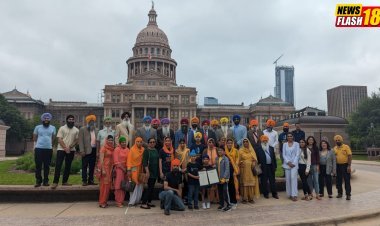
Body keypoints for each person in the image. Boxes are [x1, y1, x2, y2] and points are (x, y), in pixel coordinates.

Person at [51, 115, 79, 189]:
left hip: (71, 150)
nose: (71, 120)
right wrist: (65, 148)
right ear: (67, 120)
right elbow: (59, 139)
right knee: (58, 165)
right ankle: (55, 182)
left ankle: (65, 181)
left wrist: (69, 147)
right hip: (61, 149)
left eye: (72, 119)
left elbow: (77, 140)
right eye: (69, 119)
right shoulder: (62, 128)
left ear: (74, 121)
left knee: (68, 166)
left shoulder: (76, 130)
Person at [33, 113, 56, 187]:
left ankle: (46, 181)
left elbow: (53, 137)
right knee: (38, 166)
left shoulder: (53, 128)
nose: (46, 120)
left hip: (48, 149)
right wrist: (39, 143)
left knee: (47, 166)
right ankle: (38, 181)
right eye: (45, 118)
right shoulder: (37, 127)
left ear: (50, 119)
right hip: (39, 148)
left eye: (48, 118)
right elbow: (34, 137)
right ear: (42, 119)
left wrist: (50, 144)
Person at [78, 114, 99, 186]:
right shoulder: (82, 129)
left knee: (92, 166)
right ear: (88, 122)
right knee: (84, 166)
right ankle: (84, 180)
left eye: (93, 121)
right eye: (90, 121)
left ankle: (91, 180)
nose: (92, 123)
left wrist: (97, 152)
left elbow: (97, 141)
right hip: (86, 151)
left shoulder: (96, 130)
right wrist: (82, 150)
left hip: (94, 150)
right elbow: (80, 141)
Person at [256, 135, 278, 199]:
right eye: (263, 140)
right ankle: (266, 194)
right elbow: (257, 158)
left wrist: (275, 166)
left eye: (266, 140)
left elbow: (273, 158)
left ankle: (274, 194)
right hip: (263, 167)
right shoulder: (258, 149)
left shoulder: (271, 148)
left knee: (272, 181)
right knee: (264, 181)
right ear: (261, 141)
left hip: (271, 166)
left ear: (267, 140)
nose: (265, 141)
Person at [239, 138, 260, 204]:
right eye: (244, 142)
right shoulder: (240, 150)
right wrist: (241, 162)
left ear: (249, 143)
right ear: (243, 143)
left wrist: (253, 162)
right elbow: (238, 160)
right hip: (244, 170)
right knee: (244, 184)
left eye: (247, 142)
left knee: (251, 183)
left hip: (251, 170)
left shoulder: (251, 150)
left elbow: (255, 159)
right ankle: (244, 198)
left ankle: (251, 198)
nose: (245, 143)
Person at [141, 137, 159, 209]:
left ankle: (149, 201)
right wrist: (147, 171)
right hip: (149, 172)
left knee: (152, 188)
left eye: (153, 142)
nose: (152, 143)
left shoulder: (156, 150)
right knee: (149, 188)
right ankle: (143, 203)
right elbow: (144, 162)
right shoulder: (146, 151)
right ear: (148, 143)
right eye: (151, 142)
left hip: (155, 172)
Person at [127, 137, 145, 206]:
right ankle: (131, 201)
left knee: (140, 184)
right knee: (134, 184)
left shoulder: (143, 149)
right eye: (137, 141)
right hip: (133, 168)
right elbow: (129, 160)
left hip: (141, 168)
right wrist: (129, 169)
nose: (139, 143)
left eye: (140, 142)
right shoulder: (132, 149)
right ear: (135, 142)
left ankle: (137, 200)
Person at [97, 135, 114, 208]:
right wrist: (103, 170)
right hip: (105, 168)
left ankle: (105, 201)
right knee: (104, 186)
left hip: (110, 168)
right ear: (106, 140)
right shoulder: (103, 148)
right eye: (109, 140)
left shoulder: (112, 148)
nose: (110, 141)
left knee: (108, 186)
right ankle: (102, 202)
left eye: (111, 140)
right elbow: (101, 160)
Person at [282, 132, 300, 201]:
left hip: (294, 165)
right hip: (287, 164)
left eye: (291, 136)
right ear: (287, 137)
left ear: (293, 137)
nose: (289, 137)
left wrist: (293, 163)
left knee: (293, 178)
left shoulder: (296, 144)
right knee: (288, 179)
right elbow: (284, 155)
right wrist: (288, 162)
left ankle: (294, 195)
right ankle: (289, 194)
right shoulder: (284, 144)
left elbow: (297, 154)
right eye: (288, 136)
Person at [333, 135, 352, 200]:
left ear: (341, 140)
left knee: (347, 180)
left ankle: (348, 194)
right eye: (336, 140)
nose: (337, 141)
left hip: (345, 165)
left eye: (339, 140)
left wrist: (349, 166)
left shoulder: (346, 147)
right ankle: (340, 193)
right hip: (337, 166)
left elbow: (349, 156)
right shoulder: (334, 148)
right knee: (338, 181)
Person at [113, 136, 130, 207]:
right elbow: (116, 161)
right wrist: (123, 168)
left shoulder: (127, 149)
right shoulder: (117, 149)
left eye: (125, 142)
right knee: (119, 185)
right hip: (119, 169)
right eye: (122, 142)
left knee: (124, 185)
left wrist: (128, 169)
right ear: (120, 143)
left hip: (126, 169)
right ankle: (118, 201)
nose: (124, 143)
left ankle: (122, 200)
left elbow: (129, 159)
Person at [224, 138, 240, 207]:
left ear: (232, 144)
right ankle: (229, 201)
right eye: (228, 143)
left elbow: (237, 159)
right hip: (226, 169)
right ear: (226, 144)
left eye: (231, 143)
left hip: (233, 169)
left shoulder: (236, 150)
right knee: (228, 186)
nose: (229, 144)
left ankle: (234, 201)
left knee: (233, 185)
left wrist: (234, 165)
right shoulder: (224, 151)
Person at [216, 147, 232, 212]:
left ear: (224, 151)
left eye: (221, 150)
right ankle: (222, 204)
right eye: (219, 150)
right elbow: (216, 168)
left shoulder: (226, 159)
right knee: (220, 192)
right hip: (218, 178)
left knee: (225, 191)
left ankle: (228, 205)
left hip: (224, 179)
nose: (219, 151)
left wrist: (224, 178)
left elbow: (227, 169)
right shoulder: (216, 158)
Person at [306, 136, 321, 200]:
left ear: (313, 141)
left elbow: (318, 157)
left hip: (314, 165)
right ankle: (311, 193)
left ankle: (317, 194)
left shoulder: (316, 148)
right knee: (309, 181)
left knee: (316, 180)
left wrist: (318, 165)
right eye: (309, 140)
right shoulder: (305, 147)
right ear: (307, 141)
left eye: (312, 140)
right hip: (308, 166)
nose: (310, 141)